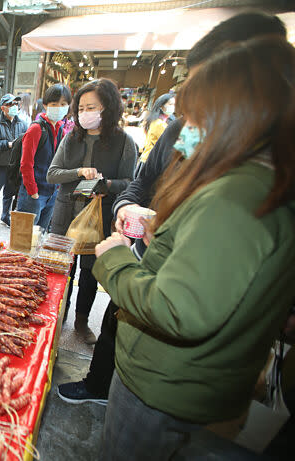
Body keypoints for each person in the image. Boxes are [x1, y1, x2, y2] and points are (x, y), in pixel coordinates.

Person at [57, 11, 288, 405]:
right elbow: (142, 182)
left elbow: (179, 310)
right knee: (116, 320)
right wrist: (131, 208)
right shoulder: (185, 132)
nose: (188, 110)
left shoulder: (246, 187)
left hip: (173, 373)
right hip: (145, 269)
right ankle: (98, 382)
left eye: (202, 91)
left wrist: (116, 252)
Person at [95, 35, 295, 460]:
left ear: (233, 116)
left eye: (193, 115)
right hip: (196, 383)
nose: (182, 129)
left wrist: (113, 260)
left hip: (166, 387)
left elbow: (179, 309)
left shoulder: (236, 197)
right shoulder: (262, 182)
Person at [47, 78, 136, 344]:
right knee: (61, 269)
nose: (86, 113)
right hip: (65, 214)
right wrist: (77, 172)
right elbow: (52, 174)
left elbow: (130, 183)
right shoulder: (71, 137)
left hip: (98, 216)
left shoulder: (123, 142)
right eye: (82, 108)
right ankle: (58, 317)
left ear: (108, 108)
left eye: (92, 107)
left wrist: (107, 185)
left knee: (88, 273)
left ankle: (82, 321)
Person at [16, 84, 70, 230]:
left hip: (51, 193)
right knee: (24, 238)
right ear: (45, 105)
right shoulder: (36, 129)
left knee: (40, 236)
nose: (59, 107)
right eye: (54, 104)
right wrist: (33, 192)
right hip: (33, 194)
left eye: (63, 104)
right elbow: (26, 164)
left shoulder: (60, 130)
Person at [0, 94, 28, 230]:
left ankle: (5, 216)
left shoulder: (22, 124)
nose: (14, 107)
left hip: (14, 166)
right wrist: (9, 144)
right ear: (3, 108)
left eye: (16, 104)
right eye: (11, 104)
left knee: (9, 194)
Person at [137, 93, 175, 173]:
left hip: (148, 159)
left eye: (174, 104)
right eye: (171, 104)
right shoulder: (159, 124)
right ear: (161, 106)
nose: (173, 107)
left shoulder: (157, 120)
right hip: (152, 162)